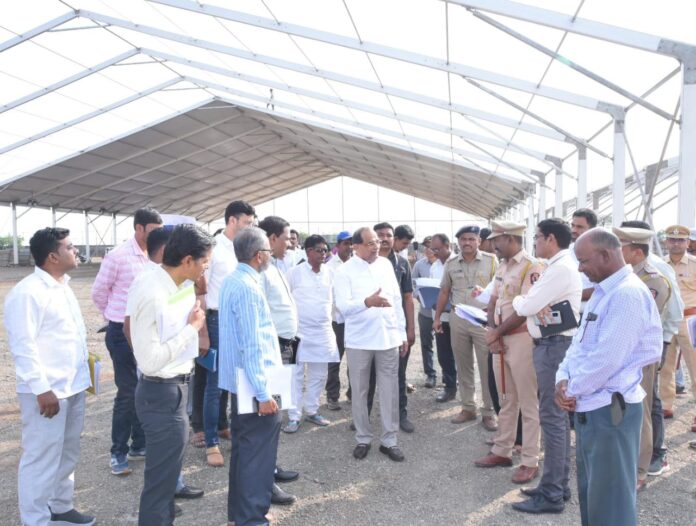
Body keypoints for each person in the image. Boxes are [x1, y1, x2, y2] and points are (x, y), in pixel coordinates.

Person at [556, 228, 662, 526]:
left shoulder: (627, 294)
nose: (580, 268)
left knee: (611, 503)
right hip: (592, 406)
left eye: (583, 261)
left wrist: (571, 389)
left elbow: (607, 360)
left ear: (605, 255)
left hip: (611, 410)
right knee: (594, 495)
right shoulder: (605, 292)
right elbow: (579, 345)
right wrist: (562, 379)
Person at [5, 227, 95, 526]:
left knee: (67, 453)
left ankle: (61, 506)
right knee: (41, 458)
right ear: (53, 256)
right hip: (47, 392)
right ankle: (35, 520)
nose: (76, 251)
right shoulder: (28, 293)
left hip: (73, 386)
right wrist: (42, 389)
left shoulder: (62, 286)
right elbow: (23, 346)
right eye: (70, 247)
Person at [129, 224, 213, 525]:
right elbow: (150, 360)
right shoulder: (152, 290)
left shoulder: (178, 286)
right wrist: (192, 329)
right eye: (205, 262)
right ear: (187, 260)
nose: (206, 269)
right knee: (159, 484)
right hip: (160, 391)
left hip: (174, 389)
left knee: (165, 482)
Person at [510, 219, 582, 514]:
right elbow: (532, 304)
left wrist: (520, 299)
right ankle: (557, 485)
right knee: (557, 419)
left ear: (551, 239)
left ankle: (552, 493)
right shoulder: (557, 266)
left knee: (552, 418)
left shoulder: (560, 268)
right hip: (552, 344)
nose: (535, 242)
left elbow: (527, 306)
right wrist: (528, 301)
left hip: (553, 346)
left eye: (537, 237)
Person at [218, 227, 284, 526]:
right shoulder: (247, 287)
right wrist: (263, 393)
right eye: (268, 251)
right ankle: (252, 519)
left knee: (245, 452)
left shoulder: (233, 280)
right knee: (258, 455)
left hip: (241, 381)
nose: (270, 255)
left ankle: (239, 516)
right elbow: (252, 343)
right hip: (254, 383)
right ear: (259, 255)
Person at [91, 207, 163, 475]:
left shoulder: (157, 256)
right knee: (127, 392)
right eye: (153, 231)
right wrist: (114, 315)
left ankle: (139, 445)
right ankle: (118, 452)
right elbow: (99, 292)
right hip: (122, 333)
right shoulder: (118, 256)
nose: (157, 236)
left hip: (148, 332)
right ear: (139, 228)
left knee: (145, 388)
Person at [475, 221, 544, 485]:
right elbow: (494, 300)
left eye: (496, 240)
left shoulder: (532, 267)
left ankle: (530, 460)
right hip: (501, 340)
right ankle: (502, 450)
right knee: (506, 398)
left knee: (528, 402)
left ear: (511, 239)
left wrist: (497, 332)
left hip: (522, 340)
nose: (492, 244)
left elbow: (526, 309)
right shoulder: (503, 266)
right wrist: (492, 330)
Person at [334, 227, 407, 462]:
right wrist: (367, 302)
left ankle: (389, 440)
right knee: (359, 390)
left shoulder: (385, 265)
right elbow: (343, 308)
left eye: (377, 241)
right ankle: (363, 438)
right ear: (355, 246)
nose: (376, 246)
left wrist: (402, 333)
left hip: (388, 337)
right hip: (359, 340)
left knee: (390, 390)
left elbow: (396, 300)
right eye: (370, 243)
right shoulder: (344, 272)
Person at [612, 226, 670, 492]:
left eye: (620, 247)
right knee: (620, 408)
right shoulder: (624, 275)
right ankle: (624, 461)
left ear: (636, 251)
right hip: (620, 352)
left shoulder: (653, 280)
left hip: (639, 356)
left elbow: (637, 321)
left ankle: (640, 469)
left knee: (641, 410)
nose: (616, 252)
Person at [200, 200, 255, 468]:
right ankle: (211, 442)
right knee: (215, 384)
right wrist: (202, 331)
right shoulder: (214, 248)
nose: (250, 227)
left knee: (236, 380)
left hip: (240, 320)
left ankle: (227, 427)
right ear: (232, 220)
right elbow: (200, 289)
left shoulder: (244, 248)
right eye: (247, 223)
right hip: (217, 319)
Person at [435, 225, 498, 429]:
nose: (467, 243)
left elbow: (499, 290)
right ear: (458, 242)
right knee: (463, 364)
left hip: (483, 319)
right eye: (463, 239)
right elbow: (445, 291)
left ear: (479, 241)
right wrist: (437, 318)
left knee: (486, 366)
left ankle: (488, 411)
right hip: (459, 318)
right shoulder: (451, 263)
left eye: (471, 239)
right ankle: (468, 407)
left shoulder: (491, 260)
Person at [258, 215, 300, 505]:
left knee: (277, 412)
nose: (290, 243)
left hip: (285, 346)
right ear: (271, 239)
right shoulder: (260, 272)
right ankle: (265, 480)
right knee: (267, 416)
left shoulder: (275, 267)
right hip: (272, 349)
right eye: (286, 238)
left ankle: (271, 466)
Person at [285, 235, 340, 431]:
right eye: (319, 250)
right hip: (298, 333)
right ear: (308, 251)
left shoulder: (331, 273)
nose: (323, 254)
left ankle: (312, 410)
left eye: (325, 250)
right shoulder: (294, 273)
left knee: (319, 375)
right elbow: (285, 301)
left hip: (323, 332)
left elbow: (336, 301)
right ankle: (294, 416)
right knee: (295, 375)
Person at [375, 222, 416, 433]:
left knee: (398, 373)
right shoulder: (363, 262)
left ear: (394, 238)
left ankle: (401, 414)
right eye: (380, 235)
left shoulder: (402, 263)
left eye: (388, 235)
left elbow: (408, 297)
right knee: (367, 377)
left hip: (394, 327)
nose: (384, 238)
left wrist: (410, 329)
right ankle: (363, 415)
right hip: (370, 328)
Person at [325, 230, 353, 409]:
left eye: (351, 243)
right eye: (346, 243)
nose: (349, 247)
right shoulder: (329, 267)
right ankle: (332, 396)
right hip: (337, 321)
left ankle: (352, 394)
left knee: (355, 359)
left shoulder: (356, 264)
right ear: (338, 246)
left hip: (354, 320)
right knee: (335, 359)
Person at [429, 234, 459, 403]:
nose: (435, 252)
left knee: (461, 354)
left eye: (438, 249)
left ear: (448, 246)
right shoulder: (434, 266)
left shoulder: (458, 263)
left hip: (456, 316)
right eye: (432, 249)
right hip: (440, 318)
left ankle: (465, 389)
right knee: (444, 355)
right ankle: (450, 388)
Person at [412, 244, 437, 387]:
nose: (429, 250)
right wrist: (420, 297)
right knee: (426, 344)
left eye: (431, 247)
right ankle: (430, 375)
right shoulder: (419, 265)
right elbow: (412, 284)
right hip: (425, 312)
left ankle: (451, 376)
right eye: (426, 247)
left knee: (448, 345)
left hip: (444, 313)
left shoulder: (446, 264)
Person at [570, 208, 598, 303]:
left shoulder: (600, 254)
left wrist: (569, 296)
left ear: (592, 230)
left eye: (579, 227)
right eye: (572, 225)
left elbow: (603, 288)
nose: (573, 230)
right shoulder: (566, 252)